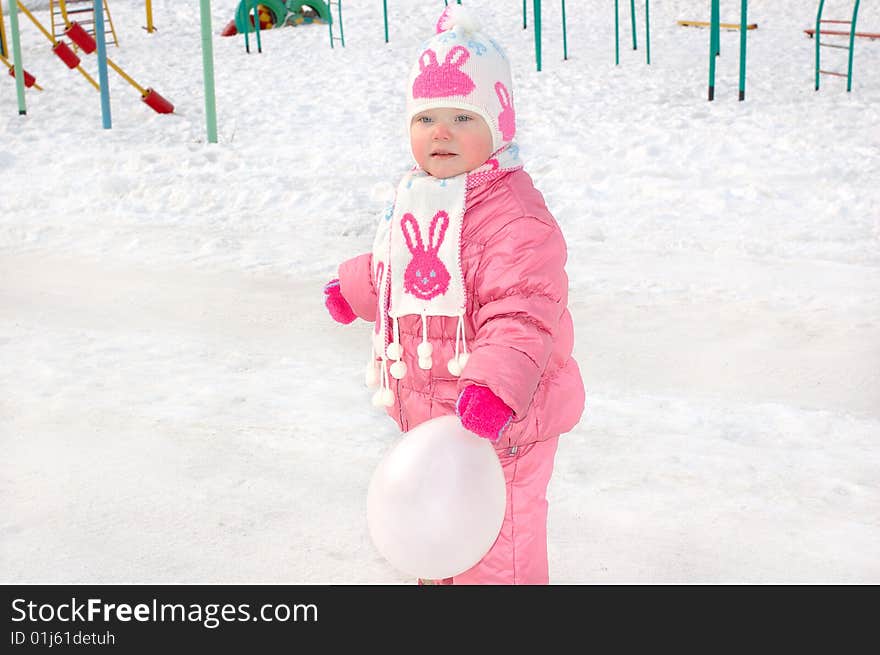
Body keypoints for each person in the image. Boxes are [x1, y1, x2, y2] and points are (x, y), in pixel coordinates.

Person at [322, 6, 585, 585]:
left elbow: (523, 311)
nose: (440, 131)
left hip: (505, 426)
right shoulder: (424, 196)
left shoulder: (513, 217)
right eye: (426, 118)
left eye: (463, 116)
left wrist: (494, 388)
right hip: (436, 415)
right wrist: (357, 287)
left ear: (499, 128)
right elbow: (409, 266)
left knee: (498, 549)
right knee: (440, 541)